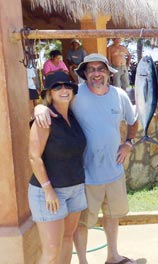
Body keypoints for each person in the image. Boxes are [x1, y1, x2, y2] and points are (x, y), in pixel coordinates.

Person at [34, 53, 139, 264]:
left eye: (101, 68)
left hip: (114, 171)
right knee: (81, 224)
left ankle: (113, 256)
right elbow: (55, 103)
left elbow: (133, 121)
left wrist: (128, 143)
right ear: (85, 74)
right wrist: (40, 107)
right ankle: (83, 261)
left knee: (112, 216)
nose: (97, 73)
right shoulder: (76, 94)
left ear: (109, 73)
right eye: (91, 69)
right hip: (85, 175)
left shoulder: (120, 95)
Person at [28, 71, 87, 264]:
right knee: (51, 251)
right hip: (50, 192)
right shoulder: (45, 119)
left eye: (67, 86)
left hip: (75, 188)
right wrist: (48, 190)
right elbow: (34, 157)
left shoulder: (73, 114)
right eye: (57, 87)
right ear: (49, 93)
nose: (64, 90)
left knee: (67, 239)